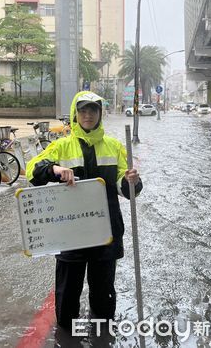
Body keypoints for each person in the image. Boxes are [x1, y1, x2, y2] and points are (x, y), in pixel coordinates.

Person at [26, 91, 143, 330]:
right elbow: (32, 171)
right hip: (71, 235)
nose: (87, 115)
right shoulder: (61, 146)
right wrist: (55, 170)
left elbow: (126, 188)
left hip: (106, 232)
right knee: (67, 295)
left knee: (103, 297)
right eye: (83, 110)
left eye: (93, 110)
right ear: (75, 115)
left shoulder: (114, 146)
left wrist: (132, 181)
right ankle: (67, 334)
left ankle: (102, 335)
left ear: (100, 114)